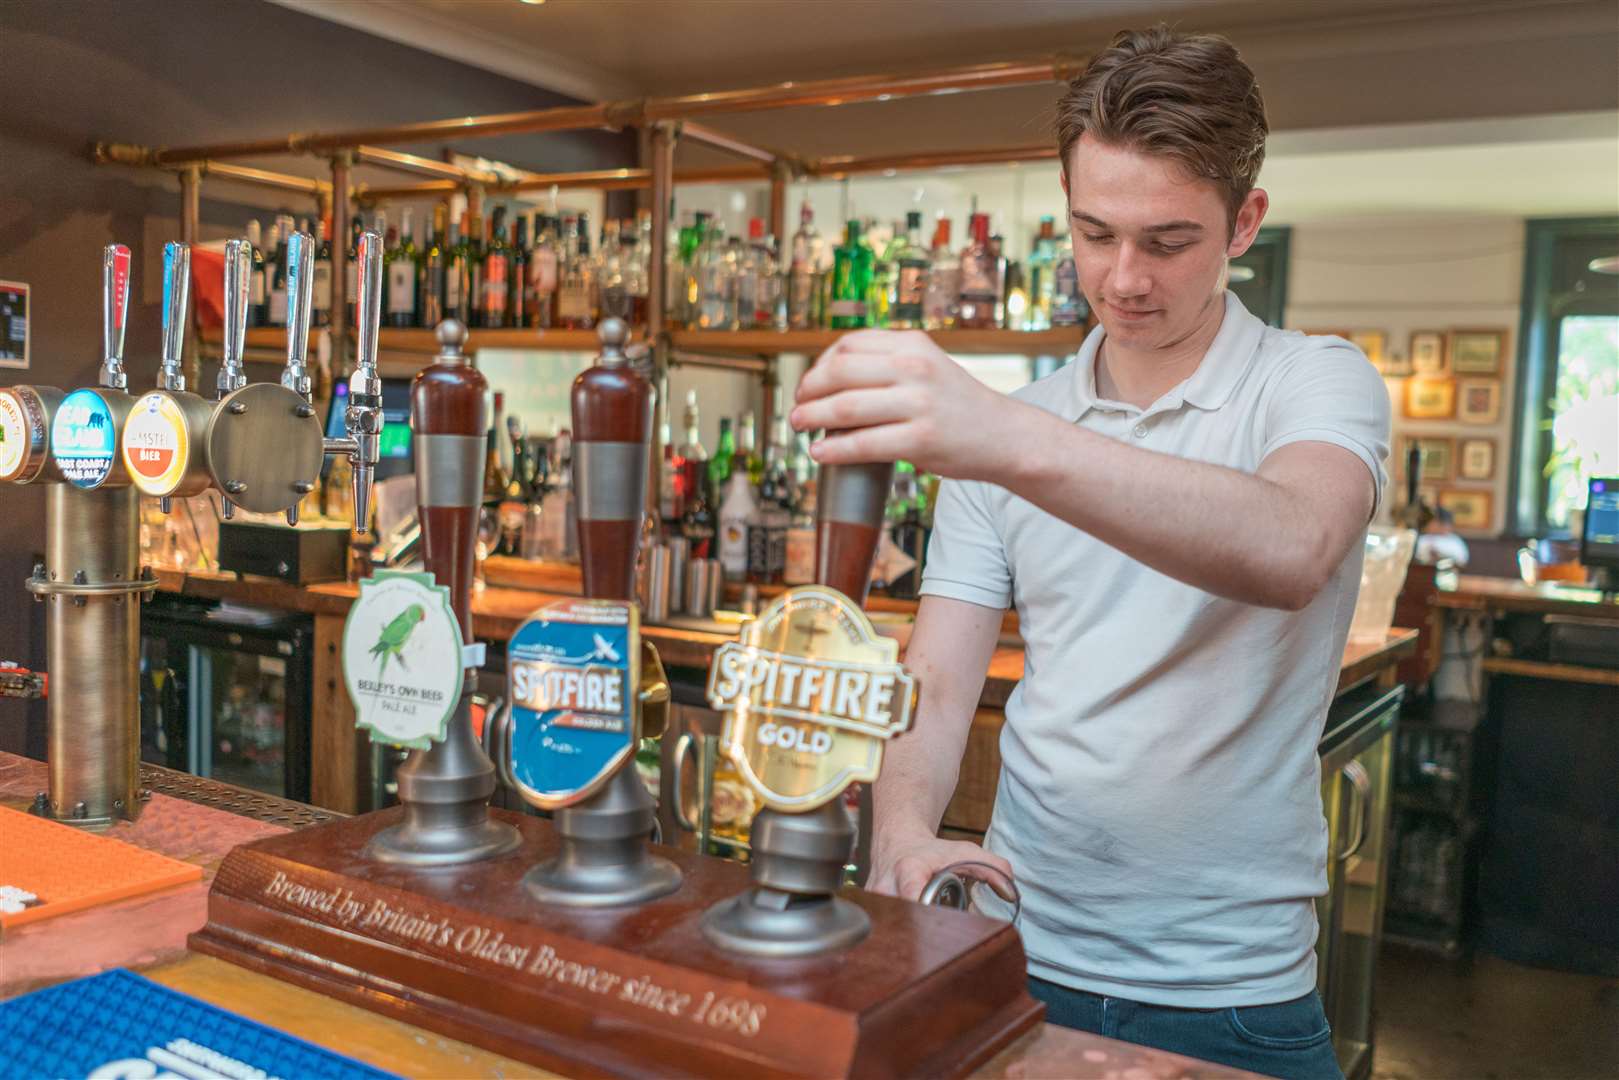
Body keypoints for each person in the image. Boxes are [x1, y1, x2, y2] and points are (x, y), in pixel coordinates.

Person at [790, 26, 1389, 1080]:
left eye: (1166, 241)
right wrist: (899, 831)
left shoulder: (1310, 382)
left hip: (1231, 988)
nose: (1120, 279)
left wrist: (1003, 437)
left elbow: (1290, 545)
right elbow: (934, 680)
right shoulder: (1013, 425)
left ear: (1242, 222)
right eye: (1091, 232)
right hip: (1016, 951)